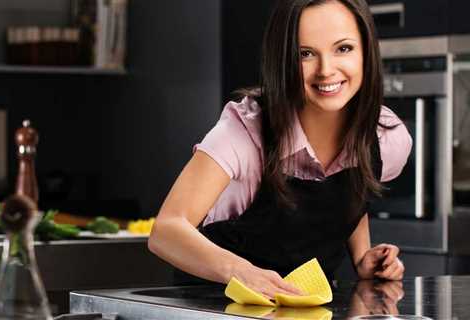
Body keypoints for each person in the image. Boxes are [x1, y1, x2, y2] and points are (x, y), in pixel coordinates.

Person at [148, 0, 412, 299]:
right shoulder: (243, 134)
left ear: (367, 51)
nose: (326, 70)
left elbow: (347, 194)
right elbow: (166, 232)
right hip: (214, 304)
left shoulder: (386, 135)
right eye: (305, 54)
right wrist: (241, 272)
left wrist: (362, 257)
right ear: (282, 59)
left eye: (343, 48)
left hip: (306, 311)